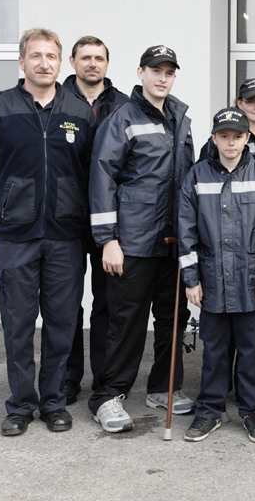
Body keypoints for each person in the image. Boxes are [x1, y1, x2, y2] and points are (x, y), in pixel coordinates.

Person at [0, 28, 96, 436]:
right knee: (18, 325)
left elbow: (89, 173)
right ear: (22, 61)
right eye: (36, 56)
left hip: (65, 236)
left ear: (60, 63)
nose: (44, 63)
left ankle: (53, 403)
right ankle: (20, 406)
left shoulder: (80, 112)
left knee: (62, 325)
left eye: (51, 56)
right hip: (17, 237)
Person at [88, 45, 195, 433]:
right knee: (126, 322)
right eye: (156, 70)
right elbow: (102, 178)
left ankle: (163, 389)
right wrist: (108, 239)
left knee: (172, 320)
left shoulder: (181, 119)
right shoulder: (122, 119)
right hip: (132, 242)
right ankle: (107, 396)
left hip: (172, 243)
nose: (162, 78)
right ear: (140, 73)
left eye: (169, 72)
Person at [178, 107, 255, 443]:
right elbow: (185, 231)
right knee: (214, 351)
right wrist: (191, 279)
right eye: (224, 136)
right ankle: (209, 411)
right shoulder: (197, 176)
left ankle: (253, 412)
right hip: (211, 282)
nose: (231, 142)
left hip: (251, 282)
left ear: (247, 138)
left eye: (237, 136)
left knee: (250, 351)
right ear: (214, 139)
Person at [199, 78, 255, 372]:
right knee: (224, 321)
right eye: (251, 101)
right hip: (225, 247)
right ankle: (222, 382)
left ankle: (250, 382)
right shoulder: (216, 143)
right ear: (240, 103)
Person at [62, 35, 130, 405]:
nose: (92, 63)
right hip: (66, 222)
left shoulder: (123, 106)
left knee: (108, 303)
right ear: (72, 61)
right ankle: (68, 377)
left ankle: (105, 379)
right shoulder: (57, 102)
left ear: (107, 63)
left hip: (111, 224)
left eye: (99, 58)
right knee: (66, 304)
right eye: (85, 57)